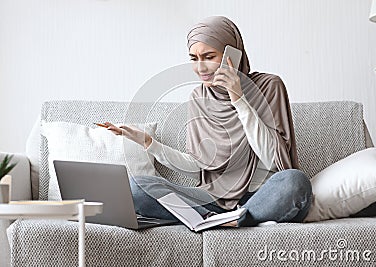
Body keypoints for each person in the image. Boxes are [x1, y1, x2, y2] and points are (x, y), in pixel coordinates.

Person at [106, 16, 312, 227]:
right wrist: (149, 143)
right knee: (138, 187)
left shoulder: (270, 86)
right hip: (212, 200)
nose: (200, 68)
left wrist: (239, 99)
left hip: (262, 195)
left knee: (295, 183)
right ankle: (219, 219)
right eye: (194, 59)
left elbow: (272, 159)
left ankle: (222, 220)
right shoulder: (198, 98)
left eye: (209, 56)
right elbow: (199, 165)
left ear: (233, 54)